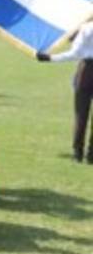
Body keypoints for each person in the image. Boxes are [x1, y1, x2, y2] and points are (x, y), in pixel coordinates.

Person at [36, 17, 93, 163]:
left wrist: (50, 58)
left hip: (87, 69)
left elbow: (74, 54)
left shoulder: (87, 27)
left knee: (81, 113)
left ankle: (77, 152)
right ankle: (91, 153)